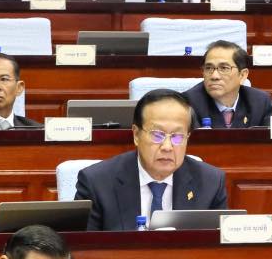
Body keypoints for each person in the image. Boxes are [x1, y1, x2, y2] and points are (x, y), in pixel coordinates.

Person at [74, 88, 228, 231]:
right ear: (136, 135)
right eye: (157, 135)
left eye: (177, 137)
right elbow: (83, 248)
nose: (167, 147)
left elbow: (218, 247)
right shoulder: (97, 183)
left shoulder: (211, 183)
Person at [184, 40, 272, 128]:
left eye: (224, 68)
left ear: (242, 75)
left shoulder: (260, 102)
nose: (214, 76)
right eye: (208, 68)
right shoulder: (188, 103)